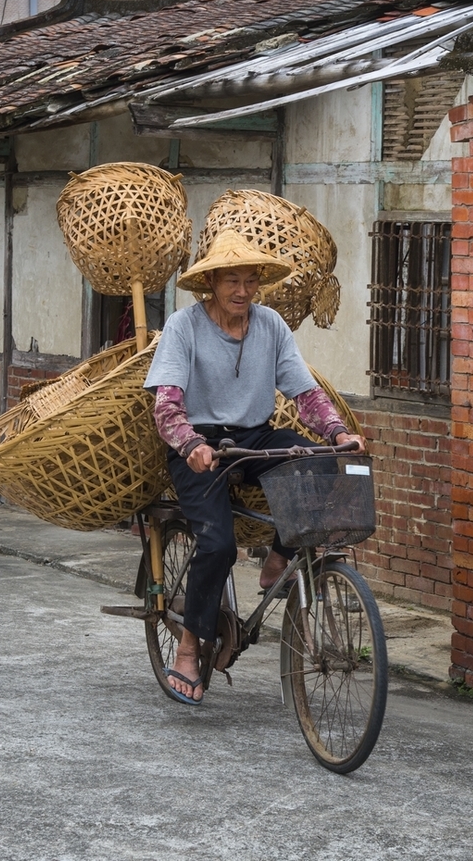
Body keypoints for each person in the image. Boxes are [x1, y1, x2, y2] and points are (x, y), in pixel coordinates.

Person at [143, 229, 365, 705]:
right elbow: (166, 406)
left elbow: (304, 394)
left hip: (256, 435)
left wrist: (338, 433)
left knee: (323, 468)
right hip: (200, 446)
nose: (241, 291)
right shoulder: (185, 327)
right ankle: (188, 647)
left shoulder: (270, 326)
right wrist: (189, 444)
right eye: (230, 281)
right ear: (211, 284)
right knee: (218, 544)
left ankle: (279, 559)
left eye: (249, 281)